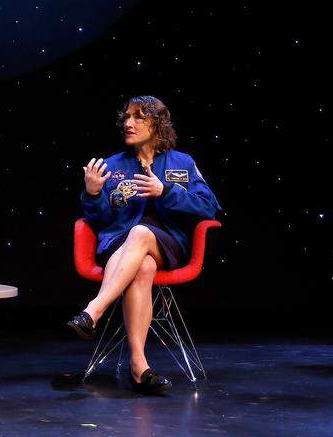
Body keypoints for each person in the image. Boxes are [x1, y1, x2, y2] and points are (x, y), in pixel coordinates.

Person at [66, 95, 220, 394]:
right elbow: (98, 220)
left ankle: (93, 311)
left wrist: (166, 192)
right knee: (143, 266)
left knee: (141, 234)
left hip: (168, 245)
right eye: (126, 117)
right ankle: (140, 366)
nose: (128, 123)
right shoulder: (111, 165)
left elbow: (209, 207)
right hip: (120, 248)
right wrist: (93, 194)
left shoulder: (182, 162)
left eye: (138, 117)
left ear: (157, 122)